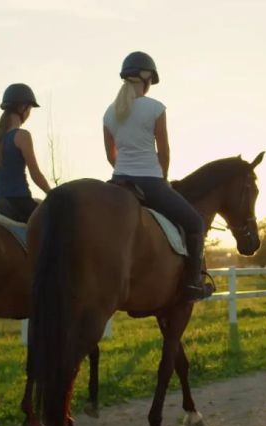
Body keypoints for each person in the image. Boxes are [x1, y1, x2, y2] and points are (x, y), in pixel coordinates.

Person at [103, 51, 213, 301]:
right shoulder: (155, 108)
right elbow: (164, 152)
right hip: (150, 182)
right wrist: (162, 178)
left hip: (119, 182)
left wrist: (124, 168)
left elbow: (111, 156)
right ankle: (193, 284)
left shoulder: (109, 113)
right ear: (145, 78)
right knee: (195, 223)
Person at [0, 83, 52, 222]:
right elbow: (35, 174)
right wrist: (52, 193)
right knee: (54, 222)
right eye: (29, 108)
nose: (29, 113)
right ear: (22, 107)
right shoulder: (22, 136)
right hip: (18, 201)